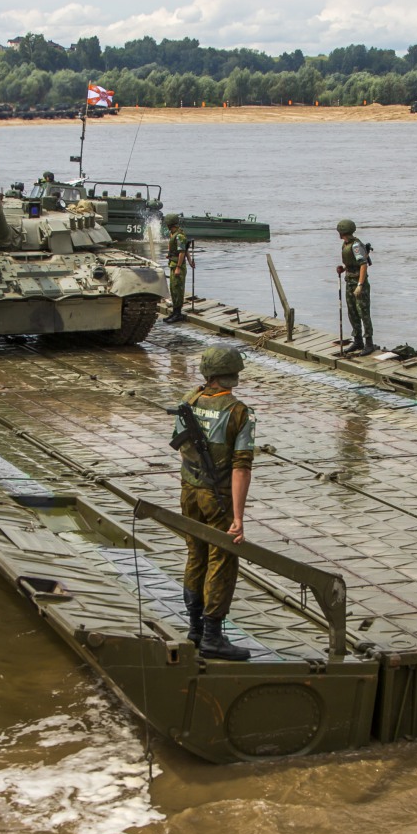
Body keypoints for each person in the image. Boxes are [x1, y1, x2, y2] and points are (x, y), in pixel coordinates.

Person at [172, 345, 255, 661]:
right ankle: (212, 636)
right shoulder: (239, 412)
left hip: (189, 492)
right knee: (222, 558)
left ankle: (194, 628)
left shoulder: (189, 401)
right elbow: (241, 466)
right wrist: (238, 516)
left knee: (196, 554)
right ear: (232, 374)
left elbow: (181, 447)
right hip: (217, 497)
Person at [335, 218, 374, 355]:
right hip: (349, 281)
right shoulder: (346, 244)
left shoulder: (356, 246)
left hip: (358, 283)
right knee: (352, 313)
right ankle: (358, 341)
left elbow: (363, 265)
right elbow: (352, 263)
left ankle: (369, 344)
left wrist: (360, 285)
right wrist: (343, 268)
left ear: (342, 232)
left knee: (363, 313)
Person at [164, 213, 191, 322]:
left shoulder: (179, 235)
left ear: (170, 224)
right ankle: (174, 312)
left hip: (177, 266)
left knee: (178, 289)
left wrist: (179, 267)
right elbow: (184, 250)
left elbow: (182, 252)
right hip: (173, 264)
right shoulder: (173, 234)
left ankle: (178, 313)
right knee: (173, 289)